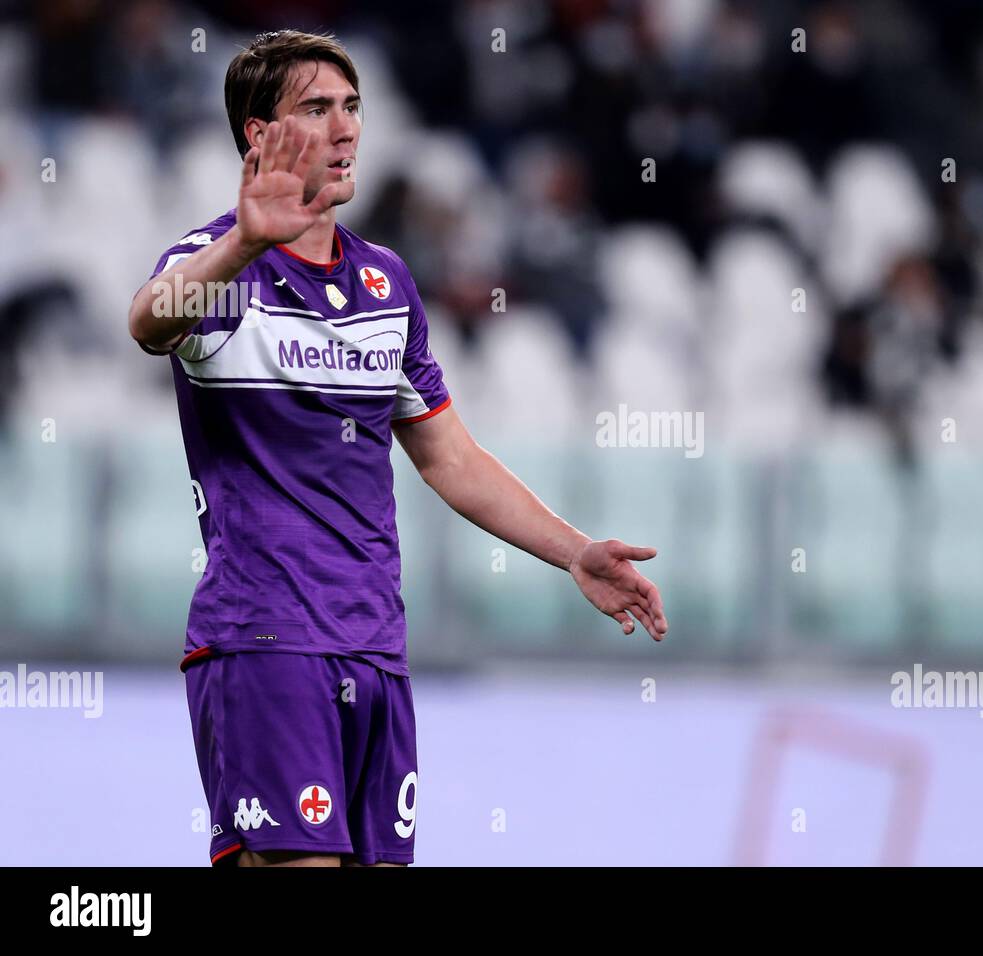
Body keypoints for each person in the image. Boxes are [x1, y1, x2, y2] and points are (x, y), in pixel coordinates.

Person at [126, 30, 668, 868]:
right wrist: (241, 242)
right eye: (315, 109)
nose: (345, 130)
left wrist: (574, 553)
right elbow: (149, 323)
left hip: (375, 644)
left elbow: (451, 458)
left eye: (352, 108)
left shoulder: (385, 284)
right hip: (267, 641)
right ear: (257, 136)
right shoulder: (219, 272)